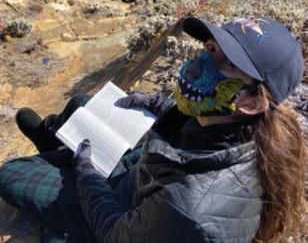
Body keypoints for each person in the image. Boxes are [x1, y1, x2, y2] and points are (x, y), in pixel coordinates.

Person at [0, 15, 306, 243]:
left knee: (11, 174)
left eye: (226, 64)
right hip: (150, 176)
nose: (203, 60)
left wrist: (86, 174)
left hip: (128, 212)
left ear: (252, 102)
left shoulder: (190, 206)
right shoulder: (236, 122)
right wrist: (154, 103)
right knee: (82, 103)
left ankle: (65, 155)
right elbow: (196, 122)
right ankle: (59, 142)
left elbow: (116, 232)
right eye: (211, 47)